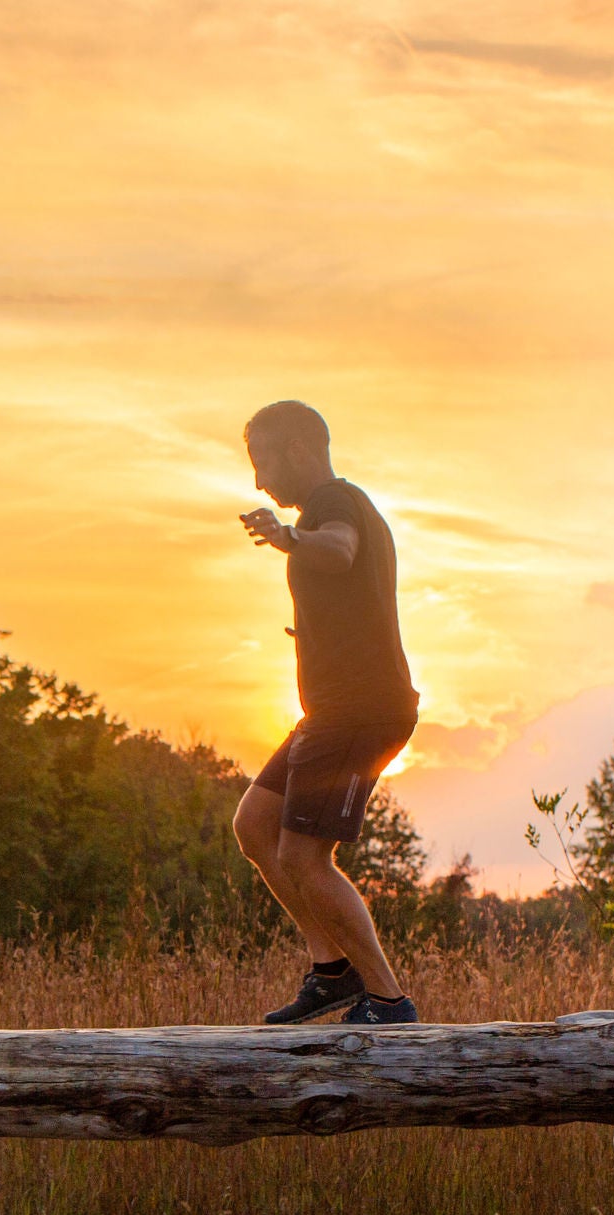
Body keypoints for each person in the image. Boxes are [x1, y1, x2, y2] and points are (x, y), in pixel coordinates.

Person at [233, 400, 421, 1025]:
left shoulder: (335, 504)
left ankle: (388, 1001)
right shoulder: (331, 510)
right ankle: (331, 971)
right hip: (333, 710)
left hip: (357, 713)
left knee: (304, 857)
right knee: (255, 825)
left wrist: (287, 538)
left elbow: (338, 550)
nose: (260, 481)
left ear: (296, 449)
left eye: (262, 461)